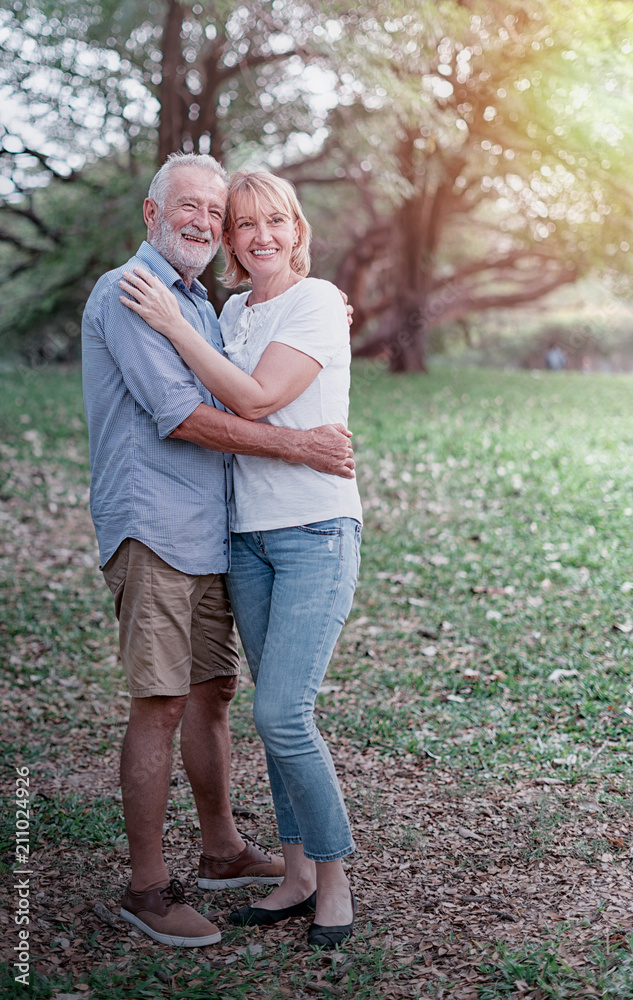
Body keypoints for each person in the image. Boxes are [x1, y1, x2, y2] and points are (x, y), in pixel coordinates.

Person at [81, 153, 356, 949]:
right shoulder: (136, 294)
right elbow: (184, 415)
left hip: (231, 535)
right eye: (200, 210)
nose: (210, 222)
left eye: (218, 210)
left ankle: (228, 852)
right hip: (158, 529)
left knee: (223, 699)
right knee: (165, 704)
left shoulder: (212, 306)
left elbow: (251, 381)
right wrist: (299, 446)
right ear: (151, 214)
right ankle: (147, 886)